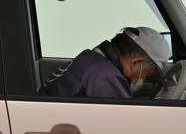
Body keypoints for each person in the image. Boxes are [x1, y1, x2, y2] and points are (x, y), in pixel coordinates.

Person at [40, 26, 170, 99]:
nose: (143, 79)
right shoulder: (104, 77)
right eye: (148, 74)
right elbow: (122, 125)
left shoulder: (93, 58)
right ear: (136, 62)